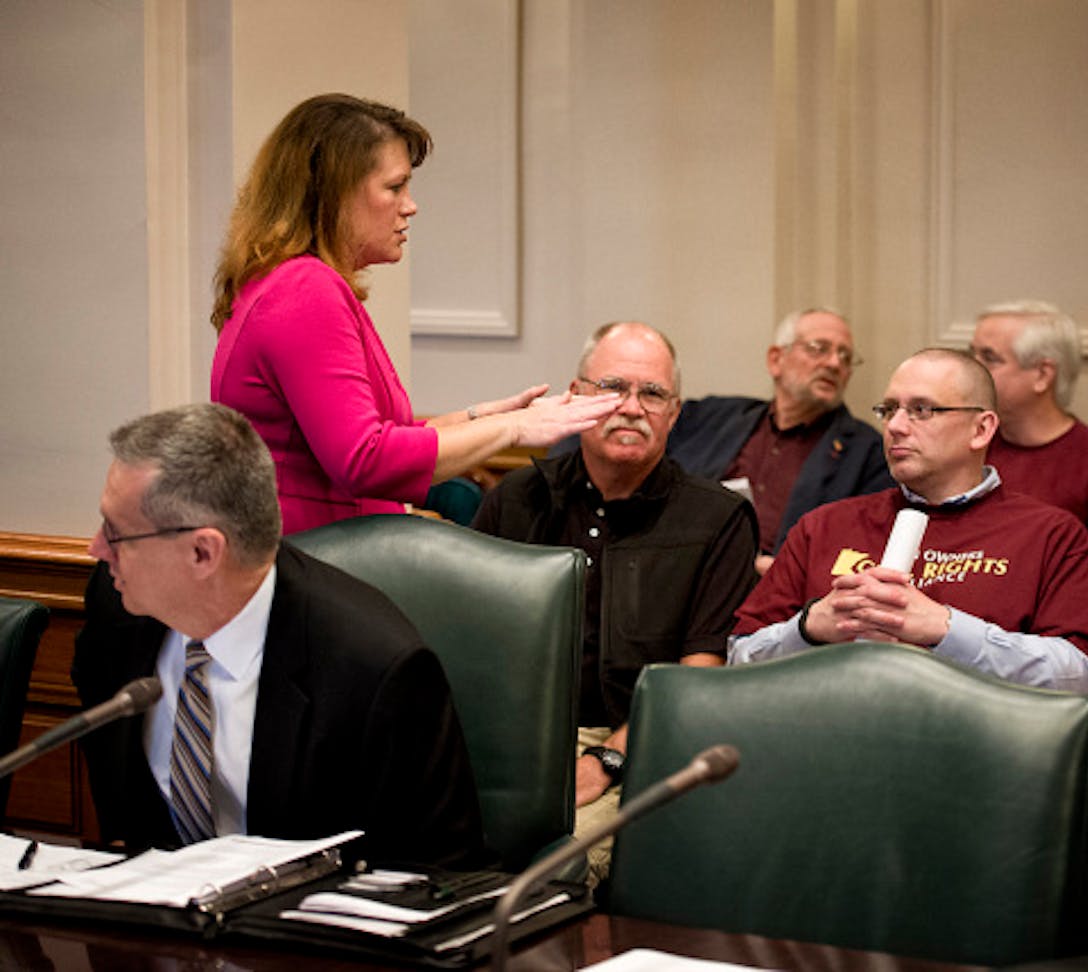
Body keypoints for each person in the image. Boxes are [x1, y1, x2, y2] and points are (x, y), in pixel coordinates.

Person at [73, 403, 488, 869]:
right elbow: (124, 825)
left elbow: (443, 876)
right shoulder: (118, 613)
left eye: (116, 532)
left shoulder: (373, 668)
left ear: (203, 552)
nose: (96, 549)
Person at [210, 93, 617, 534]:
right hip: (308, 566)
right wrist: (515, 429)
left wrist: (482, 419)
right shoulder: (304, 290)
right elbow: (364, 459)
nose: (410, 205)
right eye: (394, 187)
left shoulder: (290, 283)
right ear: (336, 193)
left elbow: (385, 433)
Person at [474, 321, 758, 878]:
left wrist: (607, 759)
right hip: (510, 741)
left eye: (652, 394)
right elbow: (472, 647)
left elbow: (698, 674)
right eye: (612, 389)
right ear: (577, 396)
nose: (631, 407)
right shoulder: (517, 500)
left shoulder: (717, 519)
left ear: (674, 414)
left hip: (638, 744)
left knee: (549, 873)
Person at [730, 348, 1088, 693]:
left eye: (922, 410)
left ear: (981, 429)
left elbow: (1081, 676)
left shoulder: (1049, 534)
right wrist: (809, 627)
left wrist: (945, 629)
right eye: (888, 409)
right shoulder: (824, 526)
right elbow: (739, 657)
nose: (895, 426)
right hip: (828, 740)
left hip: (972, 750)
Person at [970, 300, 1088, 626]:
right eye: (970, 354)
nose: (970, 370)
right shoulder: (965, 447)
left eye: (988, 358)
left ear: (1043, 375)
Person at [667, 308, 892, 573]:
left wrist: (786, 572)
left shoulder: (868, 453)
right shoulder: (709, 417)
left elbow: (866, 552)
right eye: (819, 348)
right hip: (684, 573)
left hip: (778, 597)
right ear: (776, 359)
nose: (834, 364)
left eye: (845, 356)